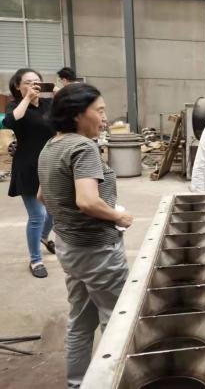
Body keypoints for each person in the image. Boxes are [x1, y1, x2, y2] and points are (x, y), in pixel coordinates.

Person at [37, 83, 133, 389]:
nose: (105, 118)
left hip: (69, 248)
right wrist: (118, 216)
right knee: (118, 322)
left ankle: (77, 383)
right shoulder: (83, 147)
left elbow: (42, 196)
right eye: (100, 110)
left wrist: (69, 220)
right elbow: (88, 201)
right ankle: (116, 382)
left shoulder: (51, 146)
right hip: (97, 251)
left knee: (80, 320)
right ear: (78, 114)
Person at [2, 68, 55, 278]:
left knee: (54, 211)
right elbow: (9, 122)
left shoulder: (49, 104)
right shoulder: (15, 105)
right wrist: (27, 99)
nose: (33, 85)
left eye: (37, 81)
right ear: (18, 86)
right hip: (28, 166)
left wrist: (61, 93)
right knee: (37, 215)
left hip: (51, 164)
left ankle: (44, 237)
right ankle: (35, 260)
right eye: (27, 82)